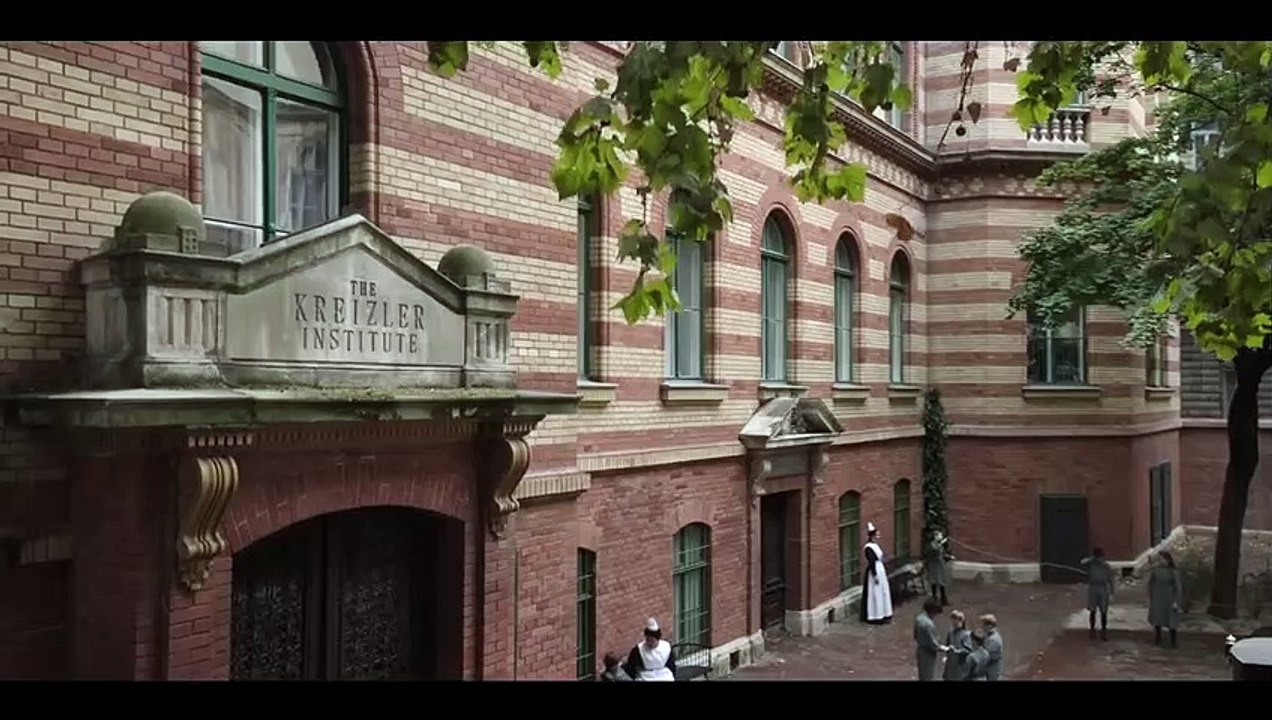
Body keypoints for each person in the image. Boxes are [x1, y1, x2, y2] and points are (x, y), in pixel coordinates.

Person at [858, 522, 895, 625]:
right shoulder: (868, 547)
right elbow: (871, 562)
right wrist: (875, 575)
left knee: (882, 591)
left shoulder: (875, 545)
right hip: (875, 571)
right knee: (876, 593)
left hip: (880, 569)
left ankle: (884, 613)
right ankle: (875, 615)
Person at [1147, 550, 1183, 648]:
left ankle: (1173, 641)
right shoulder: (1156, 571)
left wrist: (1176, 600)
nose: (1160, 561)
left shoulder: (1173, 572)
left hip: (1169, 597)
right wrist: (1150, 595)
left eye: (1161, 558)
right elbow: (1151, 584)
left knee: (1171, 619)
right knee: (1157, 618)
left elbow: (1177, 587)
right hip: (1158, 597)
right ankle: (1158, 638)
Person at [1080, 546, 1115, 641]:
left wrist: (1112, 592)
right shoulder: (1091, 564)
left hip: (1103, 588)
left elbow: (1111, 579)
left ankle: (1104, 631)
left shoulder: (1106, 566)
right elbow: (1082, 563)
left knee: (1104, 611)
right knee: (1093, 610)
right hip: (1093, 587)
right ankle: (1092, 630)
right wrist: (1092, 559)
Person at [913, 597, 950, 680]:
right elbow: (933, 643)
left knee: (922, 675)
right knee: (928, 675)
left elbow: (915, 635)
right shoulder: (928, 624)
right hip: (928, 652)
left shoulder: (919, 618)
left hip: (920, 650)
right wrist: (944, 648)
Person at [942, 609, 974, 681]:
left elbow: (969, 650)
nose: (954, 624)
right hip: (950, 665)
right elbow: (947, 644)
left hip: (960, 665)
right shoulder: (950, 632)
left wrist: (957, 651)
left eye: (956, 622)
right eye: (953, 622)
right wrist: (947, 653)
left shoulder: (966, 635)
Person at [924, 528, 953, 606]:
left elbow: (942, 553)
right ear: (935, 536)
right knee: (934, 581)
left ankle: (943, 598)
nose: (940, 536)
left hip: (940, 564)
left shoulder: (939, 544)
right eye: (939, 535)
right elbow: (933, 551)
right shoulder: (931, 544)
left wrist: (948, 557)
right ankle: (934, 598)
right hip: (934, 565)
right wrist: (940, 544)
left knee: (942, 581)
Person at [979, 613, 1004, 681]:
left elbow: (985, 654)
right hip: (988, 667)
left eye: (983, 625)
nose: (981, 626)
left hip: (992, 669)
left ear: (989, 626)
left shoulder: (994, 639)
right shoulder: (988, 636)